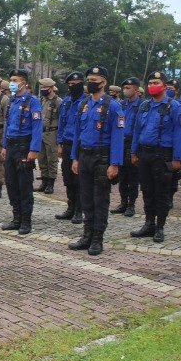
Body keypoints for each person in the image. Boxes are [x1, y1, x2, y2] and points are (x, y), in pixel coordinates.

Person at [68, 65, 124, 256]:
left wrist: (115, 164)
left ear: (104, 82)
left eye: (94, 80)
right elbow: (77, 133)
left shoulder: (113, 106)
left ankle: (97, 238)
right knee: (85, 198)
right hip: (84, 156)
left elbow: (118, 137)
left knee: (100, 199)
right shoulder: (84, 104)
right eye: (89, 80)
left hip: (102, 158)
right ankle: (86, 235)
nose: (90, 83)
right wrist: (74, 157)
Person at [129, 72, 181, 242]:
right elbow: (137, 130)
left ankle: (160, 227)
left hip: (162, 155)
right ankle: (149, 224)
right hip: (145, 153)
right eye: (150, 82)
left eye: (156, 82)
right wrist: (134, 152)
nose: (152, 85)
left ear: (164, 86)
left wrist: (178, 159)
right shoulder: (145, 105)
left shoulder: (174, 106)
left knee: (161, 192)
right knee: (147, 191)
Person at [0, 70, 42, 234]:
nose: (12, 83)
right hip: (11, 145)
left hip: (24, 147)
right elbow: (7, 124)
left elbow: (37, 127)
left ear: (23, 83)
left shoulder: (33, 101)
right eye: (11, 80)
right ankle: (16, 218)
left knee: (24, 185)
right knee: (11, 183)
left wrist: (34, 149)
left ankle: (26, 221)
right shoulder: (11, 101)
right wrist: (4, 145)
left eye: (14, 80)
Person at [55, 71, 86, 223]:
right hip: (66, 143)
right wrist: (59, 142)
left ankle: (79, 210)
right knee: (67, 178)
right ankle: (71, 207)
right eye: (71, 84)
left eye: (76, 83)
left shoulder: (86, 101)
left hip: (80, 145)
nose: (73, 86)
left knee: (78, 179)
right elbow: (62, 123)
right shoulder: (66, 101)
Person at [111, 77, 142, 217]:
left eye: (128, 88)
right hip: (120, 142)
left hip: (133, 142)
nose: (125, 90)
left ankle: (131, 204)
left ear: (136, 89)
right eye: (124, 88)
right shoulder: (121, 104)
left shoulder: (142, 105)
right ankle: (123, 202)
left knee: (133, 176)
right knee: (122, 175)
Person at [35, 77, 61, 194]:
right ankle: (44, 182)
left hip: (52, 132)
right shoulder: (42, 100)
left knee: (52, 159)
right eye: (41, 87)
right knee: (42, 159)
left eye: (44, 87)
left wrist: (60, 140)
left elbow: (62, 120)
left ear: (51, 88)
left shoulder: (58, 101)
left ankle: (50, 183)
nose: (42, 89)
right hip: (41, 132)